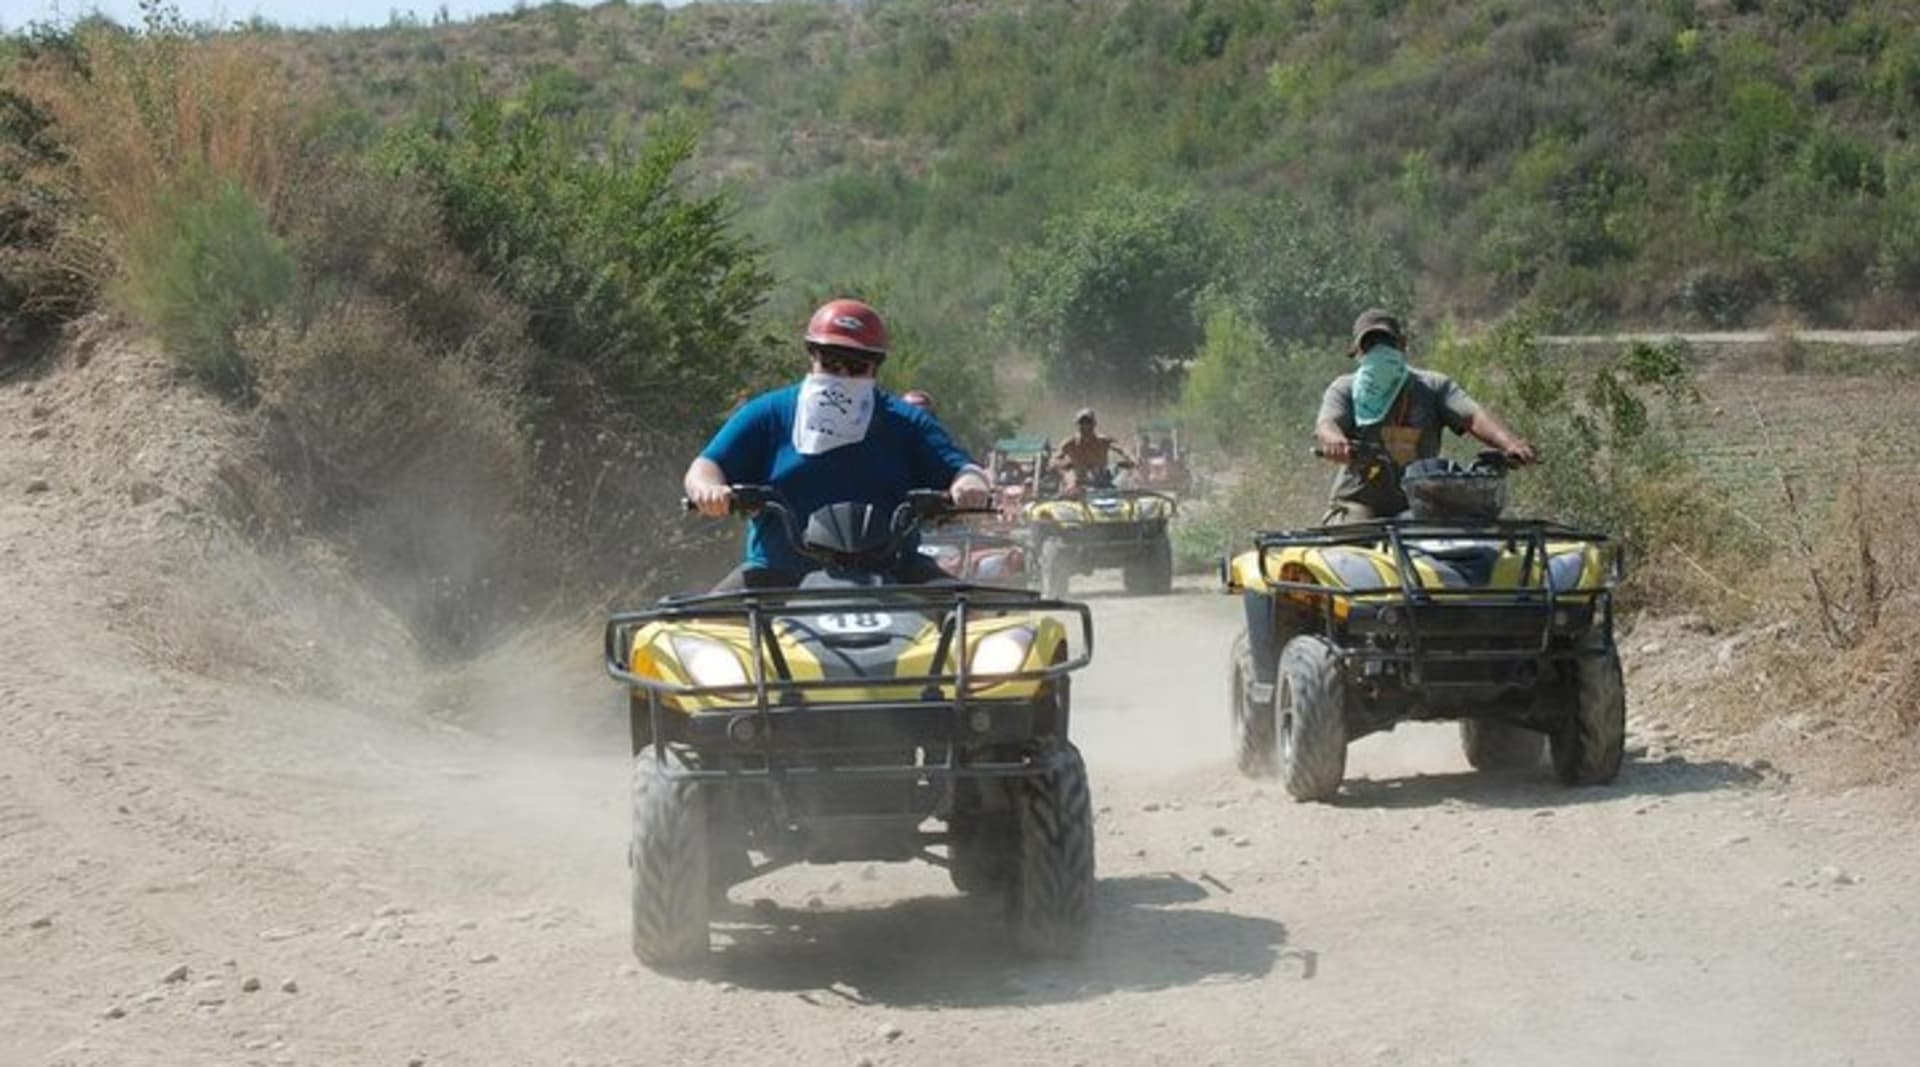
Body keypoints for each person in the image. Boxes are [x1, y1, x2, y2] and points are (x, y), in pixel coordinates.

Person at [684, 299, 992, 589]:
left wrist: (969, 483)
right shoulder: (769, 413)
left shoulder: (907, 422)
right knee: (698, 633)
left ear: (876, 366)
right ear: (811, 356)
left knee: (978, 627)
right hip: (777, 577)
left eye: (857, 365)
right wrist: (708, 489)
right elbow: (707, 465)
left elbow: (961, 468)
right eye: (831, 361)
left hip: (896, 572)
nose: (842, 373)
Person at [1313, 308, 1536, 524]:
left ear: (1402, 344)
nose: (1380, 351)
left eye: (1387, 343)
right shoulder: (1345, 388)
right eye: (1371, 345)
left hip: (1426, 502)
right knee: (1354, 541)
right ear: (1358, 352)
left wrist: (1510, 444)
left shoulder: (1433, 386)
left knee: (1471, 538)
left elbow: (1473, 417)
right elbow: (1327, 423)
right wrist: (1335, 441)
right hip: (1360, 502)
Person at [1054, 408, 1133, 493]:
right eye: (1082, 423)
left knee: (1120, 471)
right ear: (1077, 425)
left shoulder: (1103, 441)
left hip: (1104, 483)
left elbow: (1123, 449)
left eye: (1088, 422)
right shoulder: (1069, 444)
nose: (1086, 426)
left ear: (1094, 424)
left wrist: (1131, 458)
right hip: (1080, 485)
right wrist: (1066, 469)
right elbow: (1054, 459)